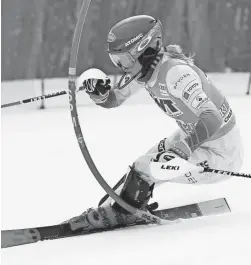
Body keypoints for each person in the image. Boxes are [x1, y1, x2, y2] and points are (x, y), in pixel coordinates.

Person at [66, 15, 243, 232]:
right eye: (116, 61)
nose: (122, 68)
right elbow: (114, 99)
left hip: (221, 155)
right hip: (193, 137)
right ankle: (116, 207)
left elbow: (212, 117)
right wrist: (100, 93)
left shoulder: (175, 73)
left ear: (143, 49)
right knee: (139, 168)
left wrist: (184, 148)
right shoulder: (144, 71)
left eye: (124, 61)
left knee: (145, 168)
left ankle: (123, 213)